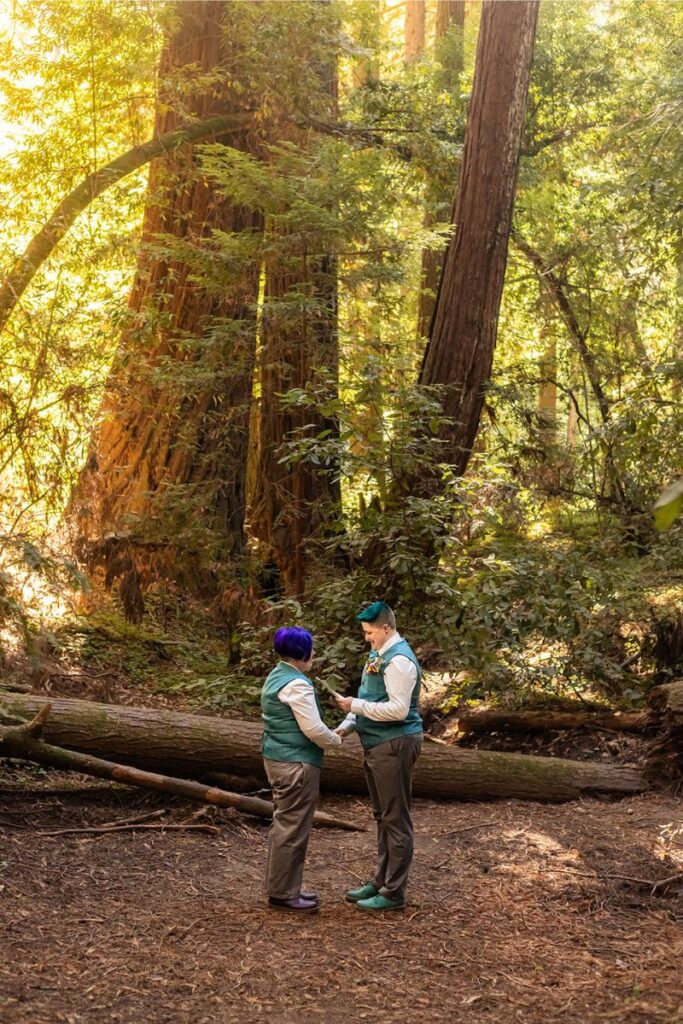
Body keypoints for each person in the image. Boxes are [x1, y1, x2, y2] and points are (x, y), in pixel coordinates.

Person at [335, 601, 422, 911]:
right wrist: (346, 726)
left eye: (370, 632)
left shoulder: (400, 662)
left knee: (396, 819)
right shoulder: (378, 655)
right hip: (375, 743)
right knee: (381, 816)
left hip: (395, 744)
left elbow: (398, 710)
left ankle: (393, 893)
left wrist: (355, 708)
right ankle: (380, 880)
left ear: (386, 628)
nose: (367, 638)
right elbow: (369, 697)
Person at [261, 625, 342, 914]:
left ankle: (281, 888)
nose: (314, 654)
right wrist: (336, 739)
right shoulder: (297, 684)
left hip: (277, 758)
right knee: (293, 827)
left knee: (285, 824)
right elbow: (314, 729)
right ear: (300, 653)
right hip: (295, 763)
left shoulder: (276, 676)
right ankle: (284, 894)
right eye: (310, 649)